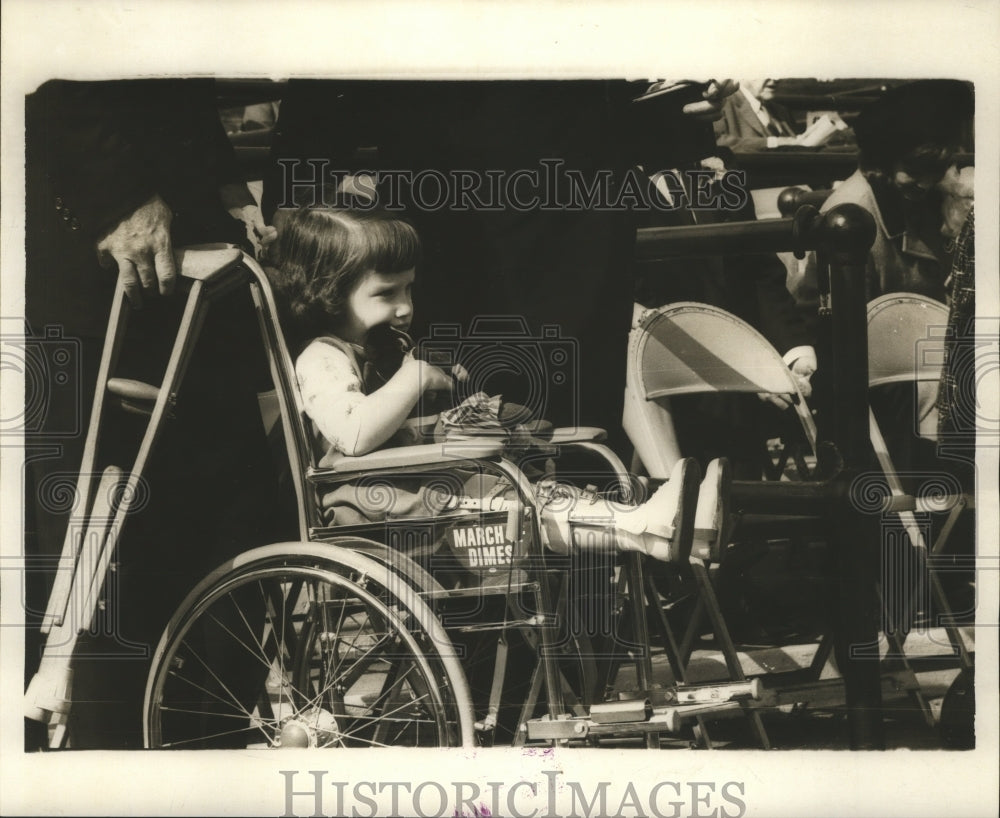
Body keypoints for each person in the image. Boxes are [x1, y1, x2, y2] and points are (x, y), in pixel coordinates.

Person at [23, 79, 287, 749]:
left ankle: (204, 757)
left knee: (223, 524)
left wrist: (224, 180)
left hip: (192, 239)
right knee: (96, 542)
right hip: (100, 247)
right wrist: (115, 193)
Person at [264, 206, 734, 565]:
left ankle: (658, 529)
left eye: (409, 289)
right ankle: (653, 527)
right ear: (327, 291)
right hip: (379, 515)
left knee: (531, 496)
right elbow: (354, 434)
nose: (406, 307)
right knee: (520, 505)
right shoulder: (322, 358)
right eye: (386, 294)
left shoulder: (386, 350)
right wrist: (414, 377)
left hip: (425, 499)